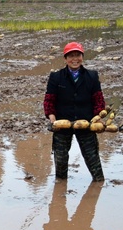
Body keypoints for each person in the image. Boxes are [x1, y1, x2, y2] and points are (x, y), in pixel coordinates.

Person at [45, 42, 106, 182]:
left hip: (86, 123)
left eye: (77, 55)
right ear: (65, 58)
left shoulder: (92, 76)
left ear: (82, 57)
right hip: (62, 124)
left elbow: (98, 100)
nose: (75, 59)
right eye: (71, 56)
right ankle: (60, 189)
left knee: (93, 159)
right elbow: (49, 101)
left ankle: (98, 183)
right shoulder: (56, 77)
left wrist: (98, 118)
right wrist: (53, 120)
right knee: (60, 161)